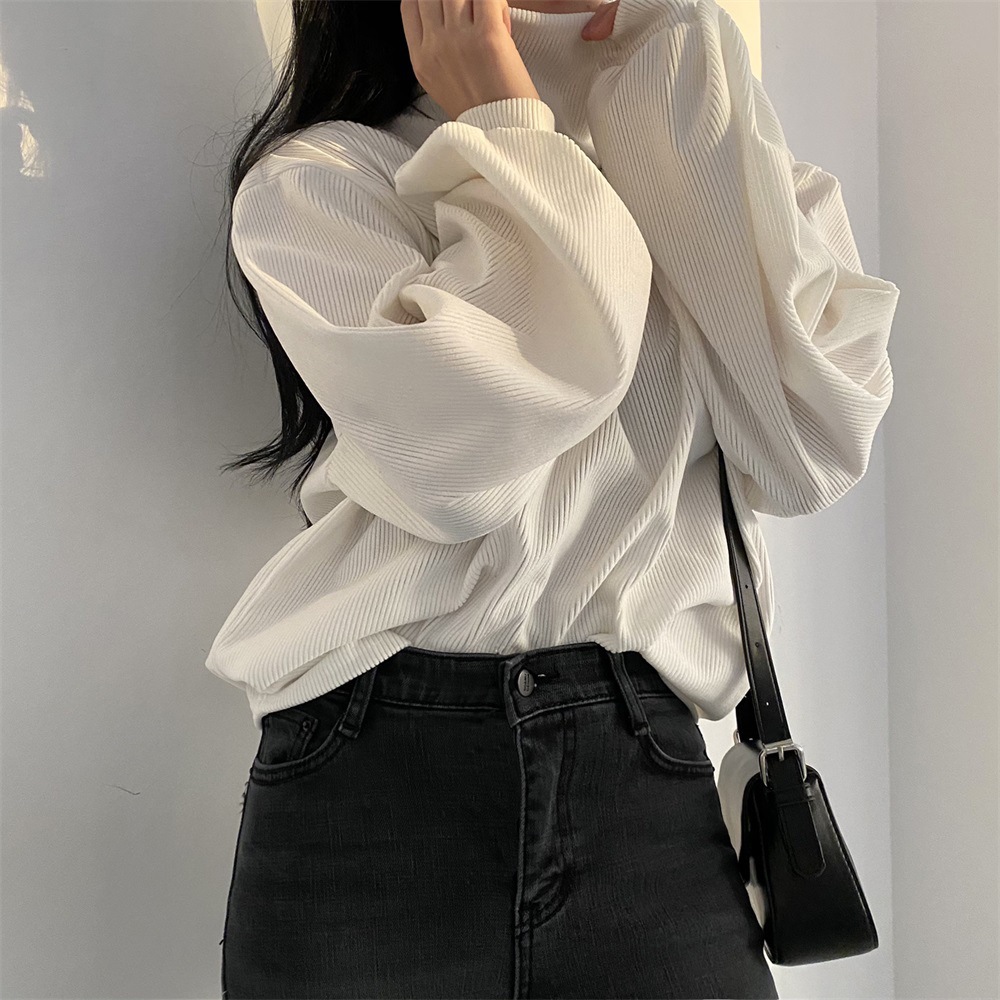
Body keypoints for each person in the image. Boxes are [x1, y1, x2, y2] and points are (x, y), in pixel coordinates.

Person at [212, 1, 899, 996]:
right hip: (371, 786)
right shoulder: (326, 176)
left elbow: (809, 450)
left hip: (642, 780)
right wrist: (505, 126)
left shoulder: (710, 156)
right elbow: (466, 457)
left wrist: (675, 55)